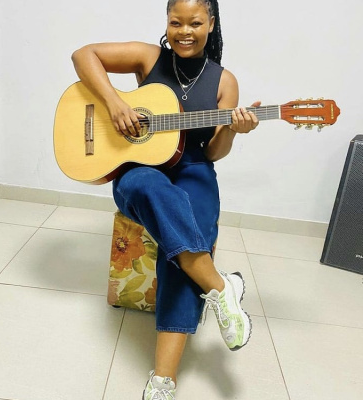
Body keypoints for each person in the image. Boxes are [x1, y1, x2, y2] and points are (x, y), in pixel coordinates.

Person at [72, 0, 260, 398]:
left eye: (195, 23)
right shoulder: (148, 57)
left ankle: (163, 381)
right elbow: (83, 55)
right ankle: (220, 287)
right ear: (167, 23)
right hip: (140, 167)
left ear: (211, 23)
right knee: (149, 188)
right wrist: (115, 103)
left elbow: (213, 153)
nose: (184, 31)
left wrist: (231, 129)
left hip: (193, 169)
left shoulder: (224, 82)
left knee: (184, 236)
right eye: (176, 22)